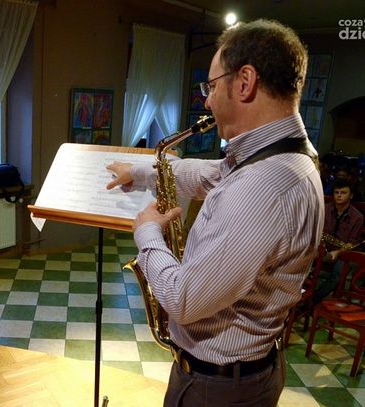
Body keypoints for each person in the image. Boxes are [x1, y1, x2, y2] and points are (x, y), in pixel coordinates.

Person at [107, 20, 323, 406]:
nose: (207, 101)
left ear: (245, 82)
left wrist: (147, 232)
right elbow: (212, 173)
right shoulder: (288, 156)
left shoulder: (261, 187)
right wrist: (139, 172)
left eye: (211, 86)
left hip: (216, 388)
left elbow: (183, 299)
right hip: (243, 374)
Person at [313, 178, 364, 303]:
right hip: (322, 246)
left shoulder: (357, 217)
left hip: (343, 252)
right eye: (336, 192)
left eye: (343, 192)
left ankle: (312, 301)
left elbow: (352, 243)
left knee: (337, 275)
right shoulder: (325, 209)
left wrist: (338, 252)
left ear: (351, 195)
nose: (339, 195)